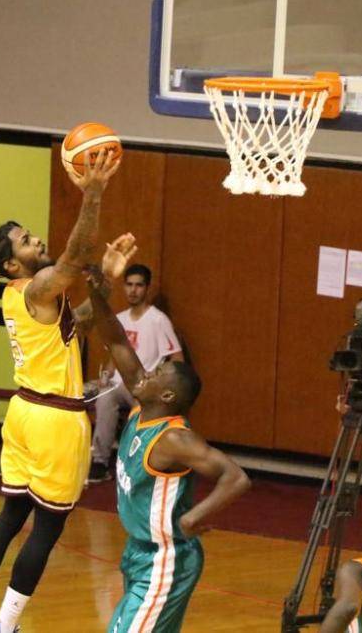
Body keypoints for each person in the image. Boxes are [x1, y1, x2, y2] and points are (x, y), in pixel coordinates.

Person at [0, 148, 121, 633]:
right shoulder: (38, 286)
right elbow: (74, 257)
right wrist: (93, 194)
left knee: (9, 517)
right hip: (54, 420)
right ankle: (5, 624)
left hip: (24, 412)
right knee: (47, 527)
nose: (36, 239)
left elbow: (78, 324)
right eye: (25, 241)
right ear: (10, 265)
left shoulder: (19, 296)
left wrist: (106, 280)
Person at [84, 253, 251, 633]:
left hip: (166, 557)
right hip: (138, 550)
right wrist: (97, 291)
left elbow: (236, 477)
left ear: (169, 396)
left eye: (156, 373)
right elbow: (114, 338)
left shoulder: (174, 438)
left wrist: (194, 517)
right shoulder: (142, 404)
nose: (145, 373)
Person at [88, 263, 183, 484]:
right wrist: (105, 375)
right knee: (104, 396)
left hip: (145, 386)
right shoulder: (119, 319)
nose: (133, 290)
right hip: (118, 385)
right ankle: (100, 462)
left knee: (142, 409)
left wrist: (164, 384)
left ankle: (139, 464)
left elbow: (178, 359)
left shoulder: (158, 320)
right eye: (129, 285)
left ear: (147, 288)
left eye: (139, 285)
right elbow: (114, 354)